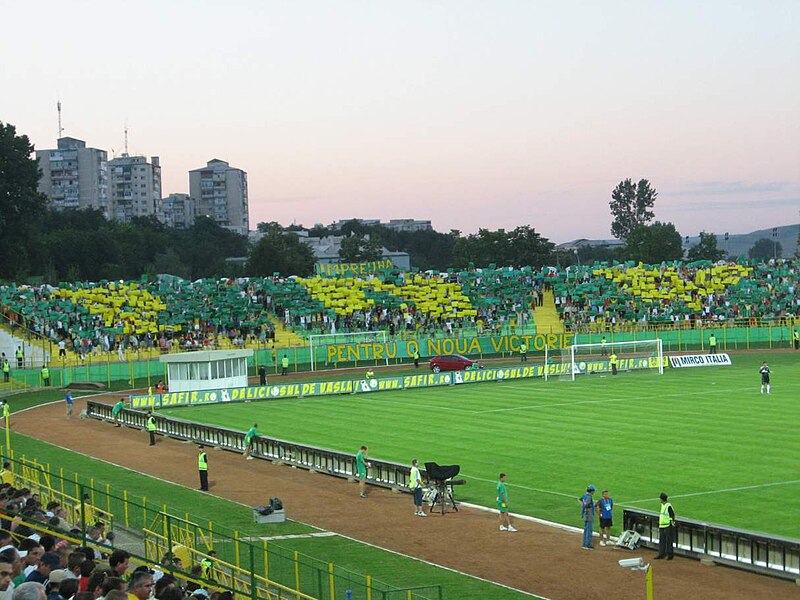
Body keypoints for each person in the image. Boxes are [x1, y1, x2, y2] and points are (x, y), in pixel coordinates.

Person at [655, 492, 676, 560]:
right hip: (662, 525)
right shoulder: (663, 505)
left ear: (662, 499)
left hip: (668, 525)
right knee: (662, 540)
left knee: (668, 541)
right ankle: (661, 554)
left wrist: (672, 522)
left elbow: (672, 515)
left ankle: (670, 555)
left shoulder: (668, 506)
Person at [577, 485, 595, 549]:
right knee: (589, 530)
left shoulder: (585, 495)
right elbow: (587, 504)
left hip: (585, 514)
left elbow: (579, 499)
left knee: (586, 529)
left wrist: (583, 506)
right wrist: (587, 507)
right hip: (589, 514)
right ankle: (587, 545)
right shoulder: (589, 497)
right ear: (592, 491)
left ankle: (585, 544)